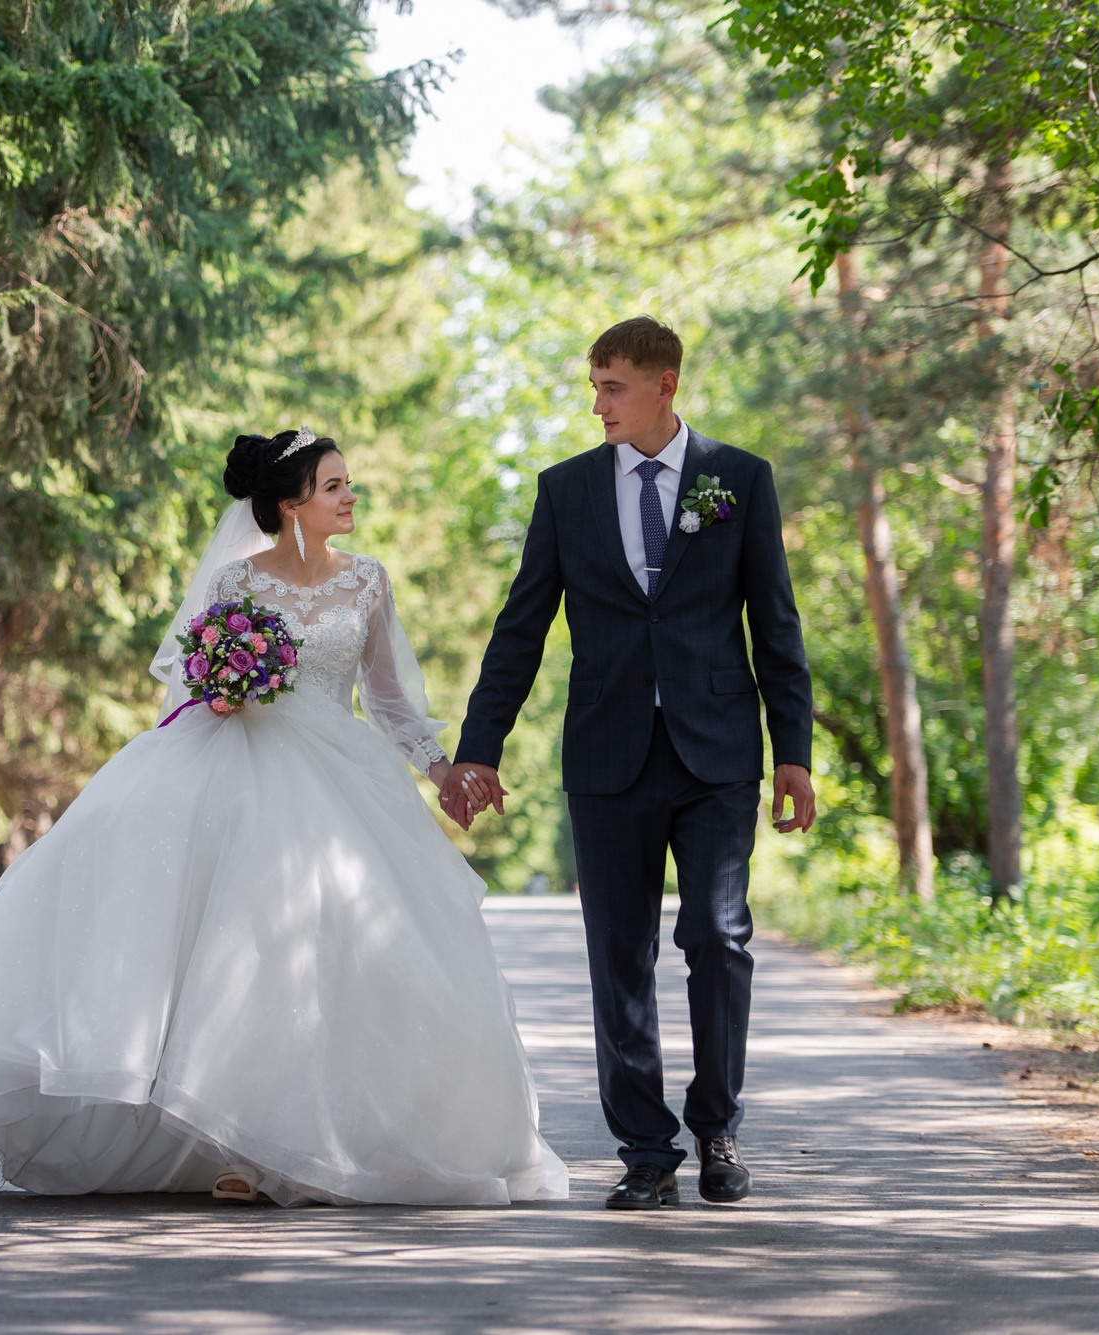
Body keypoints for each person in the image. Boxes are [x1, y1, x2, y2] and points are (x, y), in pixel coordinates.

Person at [0, 428, 567, 1207]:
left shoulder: (367, 582)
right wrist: (220, 688)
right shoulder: (236, 583)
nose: (350, 496)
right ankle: (241, 1146)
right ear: (290, 503)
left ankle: (325, 1139)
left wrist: (443, 769)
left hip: (340, 781)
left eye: (348, 483)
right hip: (242, 772)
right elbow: (193, 682)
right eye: (333, 485)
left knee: (337, 952)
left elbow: (388, 702)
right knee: (244, 953)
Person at [442, 316, 816, 1211]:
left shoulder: (738, 478)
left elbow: (775, 623)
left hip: (716, 751)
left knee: (718, 937)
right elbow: (521, 627)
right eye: (595, 387)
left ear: (665, 385)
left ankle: (717, 1128)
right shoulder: (565, 489)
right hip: (607, 753)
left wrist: (793, 754)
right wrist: (479, 749)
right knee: (619, 954)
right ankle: (647, 1149)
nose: (599, 404)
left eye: (613, 387)